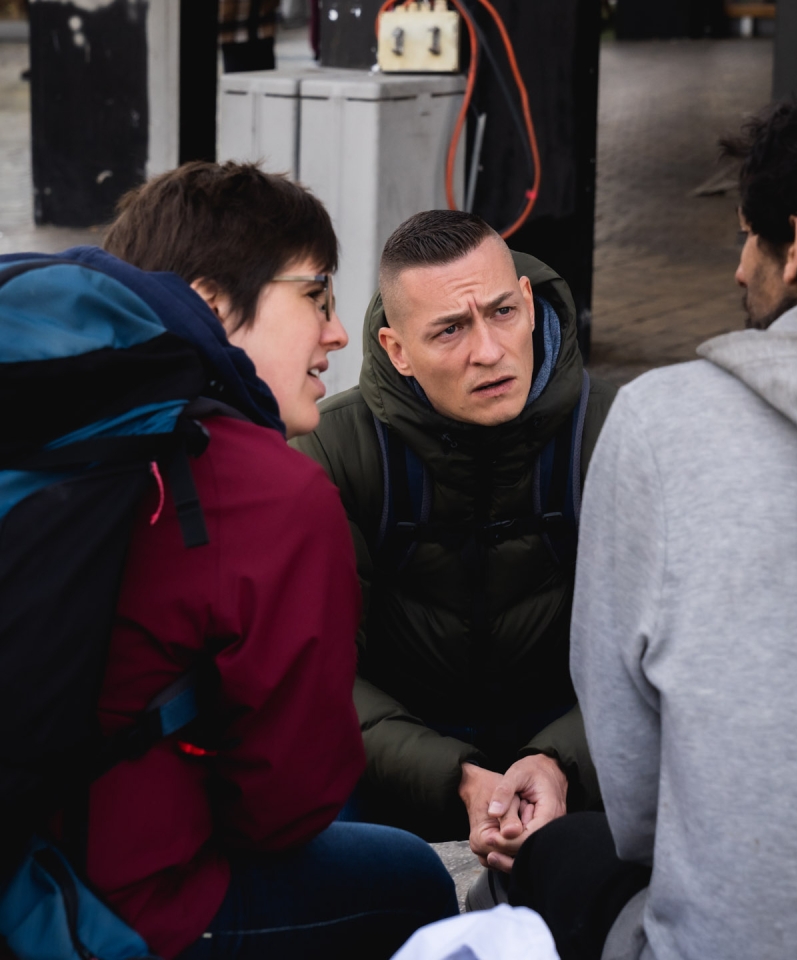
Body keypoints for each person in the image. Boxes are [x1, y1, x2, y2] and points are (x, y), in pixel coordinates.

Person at [511, 76, 797, 960]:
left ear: (795, 246)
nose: (737, 268)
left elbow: (639, 810)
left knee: (563, 853)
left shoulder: (664, 426)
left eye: (748, 237)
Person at [56, 161, 457, 958]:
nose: (337, 332)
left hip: (30, 854)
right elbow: (287, 804)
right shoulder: (272, 493)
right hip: (125, 909)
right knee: (414, 875)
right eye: (315, 296)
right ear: (211, 303)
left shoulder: (61, 423)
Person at [292, 210, 617, 889]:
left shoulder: (614, 435)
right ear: (397, 348)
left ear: (529, 305)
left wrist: (560, 761)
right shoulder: (332, 451)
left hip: (581, 748)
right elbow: (317, 679)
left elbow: (659, 657)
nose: (489, 351)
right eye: (450, 329)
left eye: (501, 313)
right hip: (394, 759)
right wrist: (458, 779)